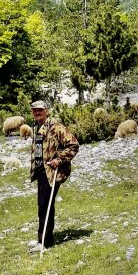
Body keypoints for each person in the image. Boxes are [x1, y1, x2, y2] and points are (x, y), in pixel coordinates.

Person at [28, 100, 79, 251]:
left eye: (40, 110)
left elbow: (74, 145)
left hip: (51, 172)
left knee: (45, 206)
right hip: (40, 171)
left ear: (47, 110)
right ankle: (44, 239)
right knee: (42, 205)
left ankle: (44, 242)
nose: (37, 112)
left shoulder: (56, 127)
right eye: (34, 110)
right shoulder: (36, 126)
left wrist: (59, 160)